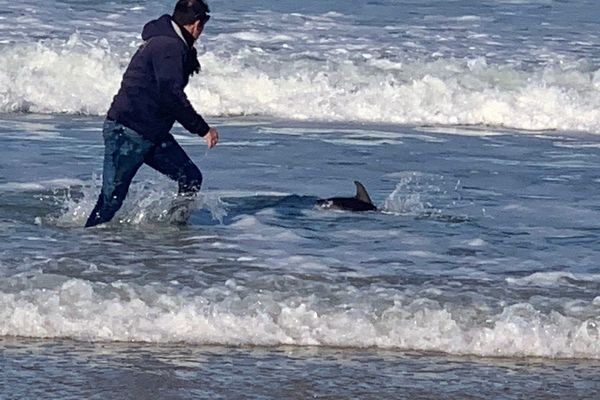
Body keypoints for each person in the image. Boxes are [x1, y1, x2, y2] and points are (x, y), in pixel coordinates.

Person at [85, 0, 218, 228]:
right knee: (111, 202)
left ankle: (174, 233)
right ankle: (85, 246)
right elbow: (171, 95)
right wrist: (202, 129)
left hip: (151, 132)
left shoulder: (171, 43)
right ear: (196, 25)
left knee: (191, 178)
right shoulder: (169, 46)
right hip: (127, 131)